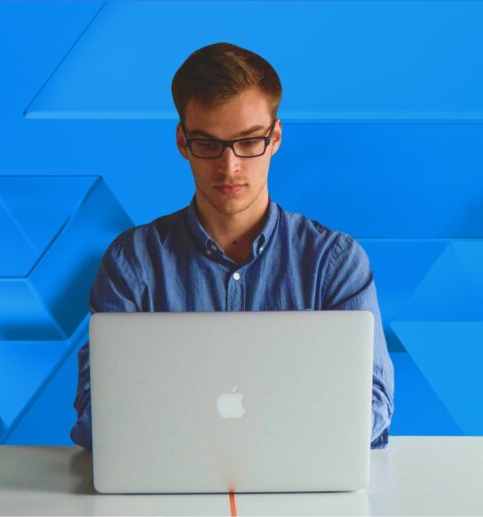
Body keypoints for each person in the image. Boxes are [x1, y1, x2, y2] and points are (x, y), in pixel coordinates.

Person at [71, 42, 394, 450]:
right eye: (208, 144)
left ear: (275, 137)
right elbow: (96, 413)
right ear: (182, 142)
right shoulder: (132, 263)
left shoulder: (335, 263)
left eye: (249, 141)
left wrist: (251, 442)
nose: (230, 166)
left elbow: (373, 402)